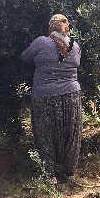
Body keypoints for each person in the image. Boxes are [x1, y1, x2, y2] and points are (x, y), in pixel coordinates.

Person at [21, 14, 82, 184]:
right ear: (67, 27)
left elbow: (25, 57)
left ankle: (51, 175)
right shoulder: (75, 46)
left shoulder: (41, 42)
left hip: (44, 95)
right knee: (71, 133)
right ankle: (70, 173)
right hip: (71, 95)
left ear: (50, 27)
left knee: (45, 133)